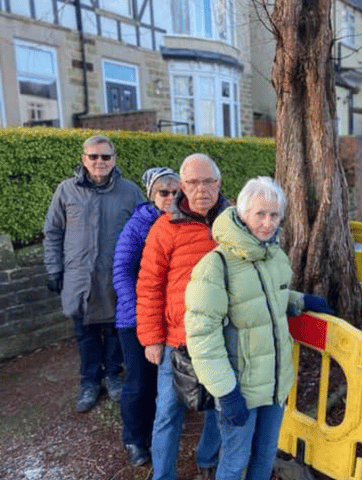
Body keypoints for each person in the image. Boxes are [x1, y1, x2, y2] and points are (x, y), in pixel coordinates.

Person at [184, 177, 331, 480]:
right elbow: (202, 337)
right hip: (240, 389)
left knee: (264, 458)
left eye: (274, 215)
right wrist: (226, 392)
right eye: (260, 214)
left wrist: (301, 300)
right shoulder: (215, 266)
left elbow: (266, 297)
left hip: (275, 383)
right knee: (235, 461)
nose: (267, 223)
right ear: (242, 212)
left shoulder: (274, 256)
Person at [136, 154, 229, 480]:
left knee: (220, 408)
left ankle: (207, 459)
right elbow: (149, 285)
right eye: (193, 182)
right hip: (178, 340)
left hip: (222, 338)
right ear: (182, 186)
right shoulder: (165, 228)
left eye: (208, 181)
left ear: (218, 183)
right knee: (168, 413)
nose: (201, 189)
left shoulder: (233, 224)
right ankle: (163, 475)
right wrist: (151, 338)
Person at [43, 135, 145, 413]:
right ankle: (89, 381)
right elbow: (53, 232)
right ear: (83, 159)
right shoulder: (66, 191)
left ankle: (113, 375)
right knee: (85, 332)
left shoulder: (130, 191)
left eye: (105, 157)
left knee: (114, 330)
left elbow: (144, 233)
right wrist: (54, 269)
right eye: (93, 156)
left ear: (114, 160)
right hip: (79, 278)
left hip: (117, 278)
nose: (99, 162)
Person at [112, 167, 180, 467]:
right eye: (163, 192)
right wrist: (140, 310)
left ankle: (156, 432)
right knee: (138, 380)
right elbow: (122, 270)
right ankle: (134, 438)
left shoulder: (183, 221)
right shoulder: (138, 225)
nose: (170, 197)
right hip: (136, 317)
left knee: (160, 380)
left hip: (166, 316)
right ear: (152, 195)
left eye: (176, 192)